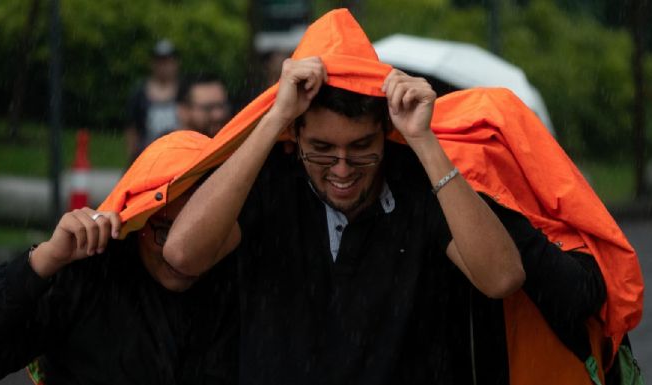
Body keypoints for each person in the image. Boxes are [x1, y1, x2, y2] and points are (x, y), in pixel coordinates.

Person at [164, 32, 525, 385]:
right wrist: (273, 119)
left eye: (361, 146)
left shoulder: (416, 181)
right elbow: (183, 255)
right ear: (295, 134)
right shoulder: (268, 178)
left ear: (385, 130)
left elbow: (501, 279)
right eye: (321, 148)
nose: (341, 168)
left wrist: (423, 141)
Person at [0, 132, 239, 385]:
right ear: (138, 222)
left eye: (206, 233)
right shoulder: (87, 272)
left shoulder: (242, 282)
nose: (182, 254)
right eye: (165, 231)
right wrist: (43, 261)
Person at [125, 39, 181, 161]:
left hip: (178, 156)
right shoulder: (139, 94)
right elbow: (132, 128)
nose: (164, 67)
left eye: (168, 61)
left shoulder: (185, 92)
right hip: (147, 157)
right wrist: (133, 156)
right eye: (160, 62)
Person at [176, 73, 231, 137]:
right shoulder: (168, 145)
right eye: (207, 108)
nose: (218, 115)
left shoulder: (238, 142)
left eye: (222, 106)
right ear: (183, 111)